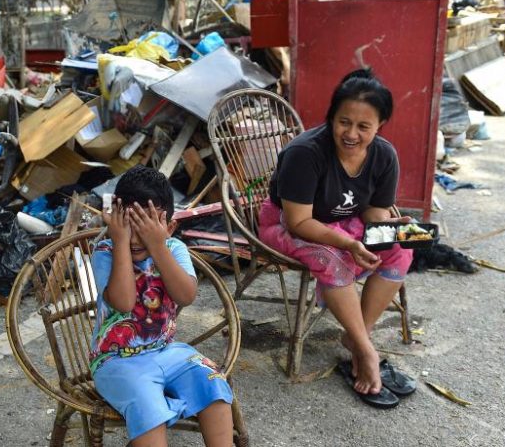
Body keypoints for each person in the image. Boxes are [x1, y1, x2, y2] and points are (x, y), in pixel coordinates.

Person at [258, 68, 416, 408]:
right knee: (333, 259)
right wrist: (347, 243)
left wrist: (391, 225)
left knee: (400, 248)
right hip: (289, 226)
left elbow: (373, 214)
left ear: (381, 124)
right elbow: (298, 221)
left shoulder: (384, 155)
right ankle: (367, 352)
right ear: (331, 117)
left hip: (348, 225)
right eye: (344, 122)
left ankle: (357, 338)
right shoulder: (306, 153)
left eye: (364, 127)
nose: (352, 134)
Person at [89, 165, 234, 446]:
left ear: (169, 227)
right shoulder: (106, 252)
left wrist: (159, 247)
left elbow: (186, 296)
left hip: (166, 351)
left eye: (147, 227)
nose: (134, 238)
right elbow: (124, 302)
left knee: (213, 382)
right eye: (129, 225)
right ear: (116, 222)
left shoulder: (174, 249)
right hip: (116, 362)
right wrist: (119, 242)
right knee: (149, 408)